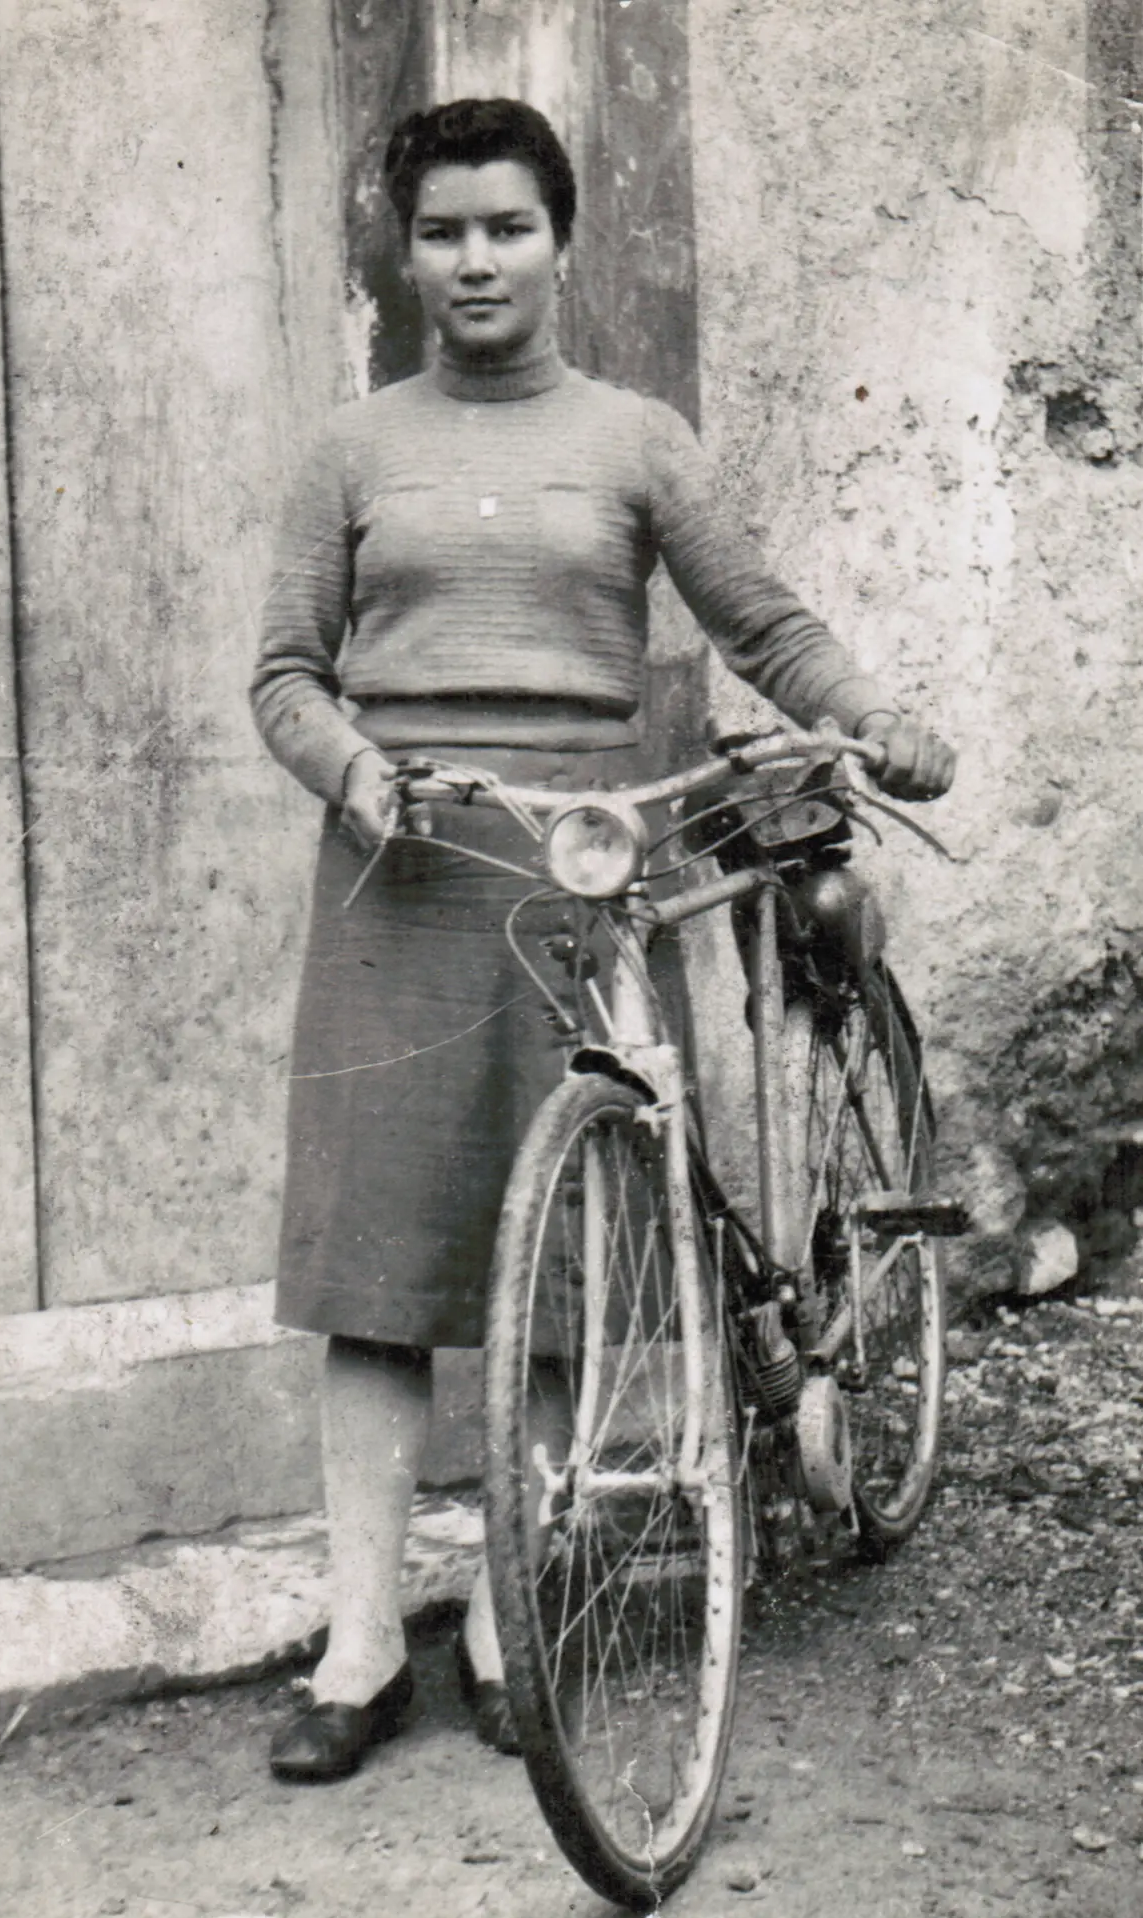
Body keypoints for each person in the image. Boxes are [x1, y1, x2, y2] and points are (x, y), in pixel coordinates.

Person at [251, 96, 955, 1782]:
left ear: (559, 242)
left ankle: (514, 1608)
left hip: (584, 869)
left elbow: (761, 622)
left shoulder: (637, 439)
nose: (475, 259)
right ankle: (358, 1646)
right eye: (443, 231)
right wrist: (354, 776)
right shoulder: (351, 451)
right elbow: (285, 673)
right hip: (400, 878)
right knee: (376, 1276)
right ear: (404, 251)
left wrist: (874, 712)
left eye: (507, 226)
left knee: (561, 1258)